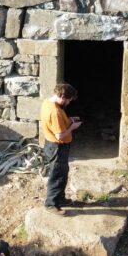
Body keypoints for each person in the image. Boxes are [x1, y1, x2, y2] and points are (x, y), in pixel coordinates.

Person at [40, 83, 81, 215]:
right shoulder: (55, 111)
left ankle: (60, 199)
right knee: (57, 175)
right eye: (68, 100)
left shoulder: (48, 102)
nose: (69, 103)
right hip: (57, 146)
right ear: (62, 96)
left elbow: (56, 123)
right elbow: (60, 134)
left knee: (62, 172)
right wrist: (72, 127)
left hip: (53, 145)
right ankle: (51, 204)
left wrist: (69, 120)